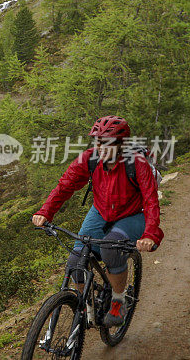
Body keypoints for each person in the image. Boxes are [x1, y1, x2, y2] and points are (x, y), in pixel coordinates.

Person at [31, 115, 163, 327]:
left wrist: (150, 234)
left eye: (107, 142)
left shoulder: (136, 164)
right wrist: (46, 211)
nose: (102, 147)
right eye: (99, 142)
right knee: (75, 263)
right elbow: (65, 186)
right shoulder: (89, 158)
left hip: (133, 214)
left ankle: (119, 300)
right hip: (101, 211)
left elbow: (150, 200)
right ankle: (86, 306)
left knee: (111, 248)